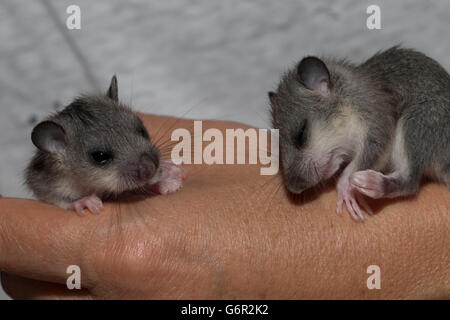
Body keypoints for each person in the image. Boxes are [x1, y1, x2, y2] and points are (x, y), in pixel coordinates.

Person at [0, 114, 448, 299]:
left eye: (139, 135)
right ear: (56, 149)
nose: (146, 157)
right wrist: (78, 200)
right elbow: (42, 187)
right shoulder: (54, 172)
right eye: (101, 158)